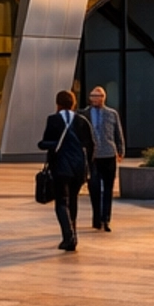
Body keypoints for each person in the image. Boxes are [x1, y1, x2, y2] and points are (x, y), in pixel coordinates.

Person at [38, 89, 95, 251]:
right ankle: (73, 235)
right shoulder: (82, 120)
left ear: (58, 104)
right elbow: (90, 145)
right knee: (73, 201)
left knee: (62, 202)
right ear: (73, 103)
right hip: (78, 169)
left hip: (60, 167)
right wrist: (88, 166)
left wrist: (47, 145)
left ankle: (68, 236)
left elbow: (45, 141)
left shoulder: (53, 120)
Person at [86, 86, 125, 231]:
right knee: (94, 188)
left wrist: (120, 150)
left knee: (108, 189)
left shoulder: (112, 114)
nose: (97, 98)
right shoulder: (85, 114)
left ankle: (106, 219)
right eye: (94, 96)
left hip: (108, 154)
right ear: (90, 98)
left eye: (100, 96)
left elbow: (118, 133)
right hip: (93, 157)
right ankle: (97, 218)